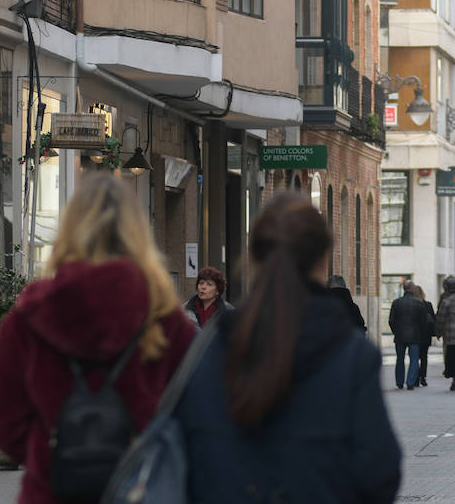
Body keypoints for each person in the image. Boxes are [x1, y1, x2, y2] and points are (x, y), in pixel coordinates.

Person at [0, 173, 197, 504]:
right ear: (139, 234)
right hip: (144, 490)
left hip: (51, 492)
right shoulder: (165, 318)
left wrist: (47, 452)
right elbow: (197, 416)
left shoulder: (31, 315)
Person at [175, 193, 401, 503]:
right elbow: (380, 471)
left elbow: (184, 456)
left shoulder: (212, 347)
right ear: (323, 260)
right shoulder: (351, 355)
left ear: (253, 258)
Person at [388, 280, 433, 390]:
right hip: (415, 336)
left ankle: (399, 382)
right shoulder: (419, 303)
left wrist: (396, 331)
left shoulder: (396, 302)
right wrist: (421, 333)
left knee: (400, 359)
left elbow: (391, 320)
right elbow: (423, 322)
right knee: (414, 359)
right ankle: (410, 382)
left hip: (400, 336)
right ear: (413, 289)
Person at [413, 283, 436, 387]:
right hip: (426, 335)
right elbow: (433, 319)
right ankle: (423, 377)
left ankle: (416, 377)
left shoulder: (413, 305)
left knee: (415, 357)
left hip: (415, 335)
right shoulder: (428, 305)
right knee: (424, 357)